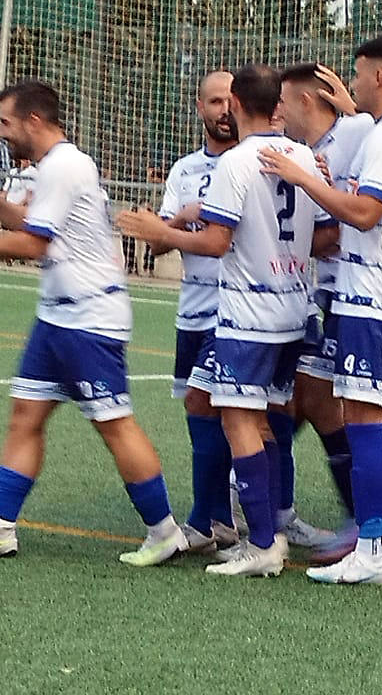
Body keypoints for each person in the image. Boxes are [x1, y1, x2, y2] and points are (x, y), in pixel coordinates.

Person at [0, 79, 187, 567]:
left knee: (114, 425)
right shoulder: (54, 166)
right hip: (58, 316)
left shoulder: (65, 166)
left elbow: (32, 245)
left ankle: (165, 532)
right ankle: (0, 528)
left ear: (34, 121)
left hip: (90, 317)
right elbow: (31, 224)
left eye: (5, 122)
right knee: (26, 414)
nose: (0, 132)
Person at [119, 64, 336, 578]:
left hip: (248, 315)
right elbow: (328, 236)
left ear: (236, 104)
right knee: (245, 413)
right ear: (277, 107)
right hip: (291, 309)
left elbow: (216, 242)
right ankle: (258, 525)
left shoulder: (235, 164)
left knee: (238, 418)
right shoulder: (303, 157)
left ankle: (261, 543)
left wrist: (163, 231)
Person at [260, 35, 382, 586]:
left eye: (358, 75)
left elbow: (363, 212)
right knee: (380, 418)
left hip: (373, 297)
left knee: (361, 418)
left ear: (380, 77)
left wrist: (304, 179)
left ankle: (370, 549)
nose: (351, 86)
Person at [132, 70, 240, 553]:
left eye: (231, 101)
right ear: (199, 107)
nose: (223, 110)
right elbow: (154, 247)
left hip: (238, 310)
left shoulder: (253, 161)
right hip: (192, 312)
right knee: (202, 412)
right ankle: (223, 515)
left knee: (221, 406)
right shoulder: (183, 171)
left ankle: (216, 518)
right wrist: (181, 218)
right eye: (215, 101)